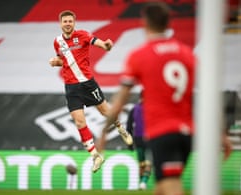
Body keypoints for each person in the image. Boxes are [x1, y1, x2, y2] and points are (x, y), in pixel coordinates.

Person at [99, 2, 232, 195]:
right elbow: (208, 95)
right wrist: (222, 133)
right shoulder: (187, 54)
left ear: (144, 23)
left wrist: (104, 132)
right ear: (168, 23)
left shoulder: (139, 55)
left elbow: (120, 101)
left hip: (163, 133)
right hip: (186, 132)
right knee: (161, 187)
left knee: (172, 188)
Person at [49, 10, 133, 173]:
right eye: (64, 21)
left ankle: (121, 128)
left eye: (70, 21)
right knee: (79, 122)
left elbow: (101, 44)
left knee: (107, 113)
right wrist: (56, 62)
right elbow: (64, 61)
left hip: (88, 84)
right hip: (71, 87)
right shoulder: (57, 42)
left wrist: (107, 45)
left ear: (74, 23)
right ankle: (96, 156)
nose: (67, 24)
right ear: (60, 24)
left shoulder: (83, 35)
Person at [126, 97, 151, 190]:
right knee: (148, 163)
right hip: (149, 138)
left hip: (138, 138)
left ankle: (142, 184)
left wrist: (129, 143)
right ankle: (143, 182)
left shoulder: (134, 109)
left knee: (142, 163)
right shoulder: (151, 107)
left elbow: (129, 127)